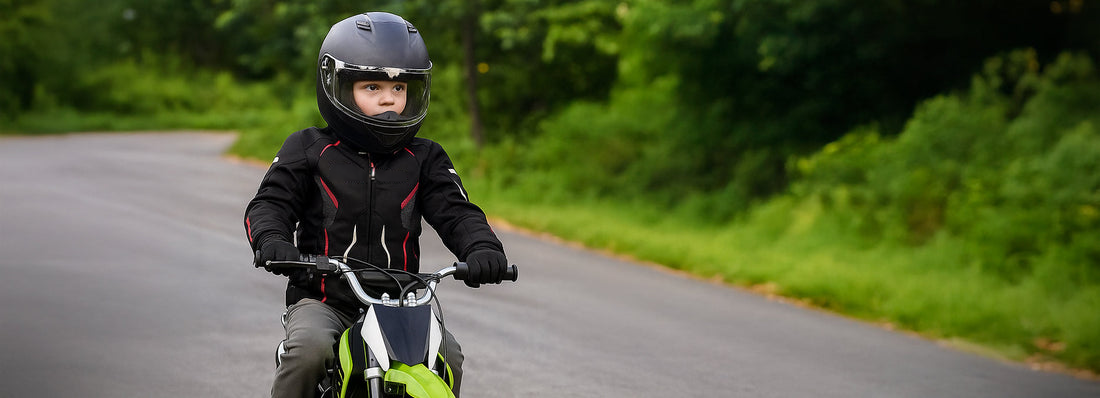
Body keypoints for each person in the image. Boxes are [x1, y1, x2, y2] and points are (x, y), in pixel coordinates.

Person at [244, 11, 509, 398]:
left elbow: (457, 211)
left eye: (400, 88)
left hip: (403, 305)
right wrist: (271, 240)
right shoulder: (308, 149)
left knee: (448, 356)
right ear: (336, 84)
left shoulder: (425, 158)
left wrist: (483, 248)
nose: (389, 98)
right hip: (324, 300)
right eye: (372, 86)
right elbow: (269, 204)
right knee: (308, 351)